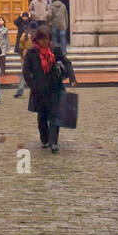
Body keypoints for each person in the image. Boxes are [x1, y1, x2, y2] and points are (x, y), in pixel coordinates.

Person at [22, 25, 76, 153]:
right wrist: (33, 85)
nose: (44, 42)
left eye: (46, 39)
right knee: (42, 116)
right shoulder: (32, 52)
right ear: (38, 39)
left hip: (55, 87)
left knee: (55, 116)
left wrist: (72, 78)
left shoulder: (55, 50)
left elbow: (67, 62)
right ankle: (45, 139)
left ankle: (54, 142)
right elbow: (26, 72)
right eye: (42, 39)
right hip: (39, 90)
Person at [13, 10, 38, 98]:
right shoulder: (38, 35)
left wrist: (22, 53)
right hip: (36, 56)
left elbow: (21, 45)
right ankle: (38, 91)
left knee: (24, 73)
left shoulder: (25, 35)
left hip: (26, 55)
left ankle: (20, 91)